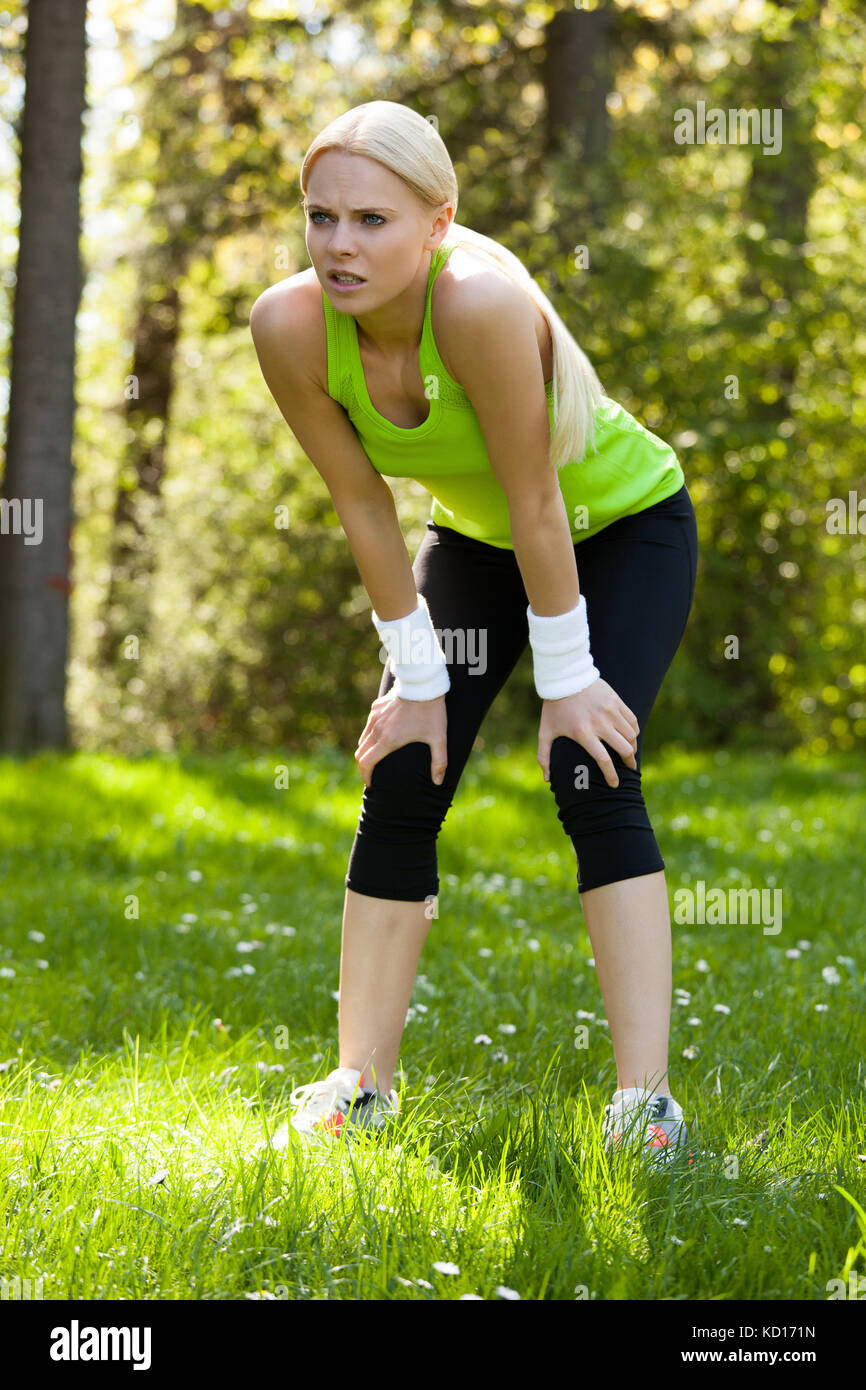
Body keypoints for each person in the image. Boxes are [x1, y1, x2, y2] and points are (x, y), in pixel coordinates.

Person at [249, 101, 698, 1165]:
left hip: (620, 530)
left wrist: (570, 675)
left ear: (437, 220)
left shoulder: (482, 304)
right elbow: (362, 504)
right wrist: (413, 678)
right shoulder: (290, 326)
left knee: (592, 769)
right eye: (321, 218)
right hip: (479, 541)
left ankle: (645, 1103)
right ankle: (360, 1082)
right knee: (404, 765)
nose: (340, 245)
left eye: (370, 219)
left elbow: (538, 500)